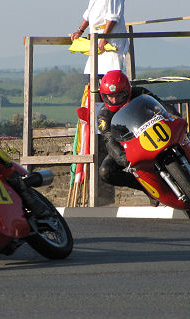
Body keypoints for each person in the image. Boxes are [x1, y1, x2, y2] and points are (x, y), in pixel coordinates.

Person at [97, 70, 180, 206]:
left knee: (178, 134)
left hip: (152, 133)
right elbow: (109, 140)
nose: (115, 100)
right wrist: (123, 158)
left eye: (119, 95)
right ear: (104, 96)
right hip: (128, 145)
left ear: (127, 90)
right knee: (106, 172)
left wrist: (175, 117)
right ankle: (149, 189)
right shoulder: (103, 116)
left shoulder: (140, 93)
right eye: (110, 96)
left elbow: (162, 106)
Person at [71, 0, 128, 75]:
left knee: (111, 72)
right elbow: (89, 13)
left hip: (111, 40)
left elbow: (113, 17)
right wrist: (80, 31)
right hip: (96, 37)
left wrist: (104, 37)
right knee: (93, 73)